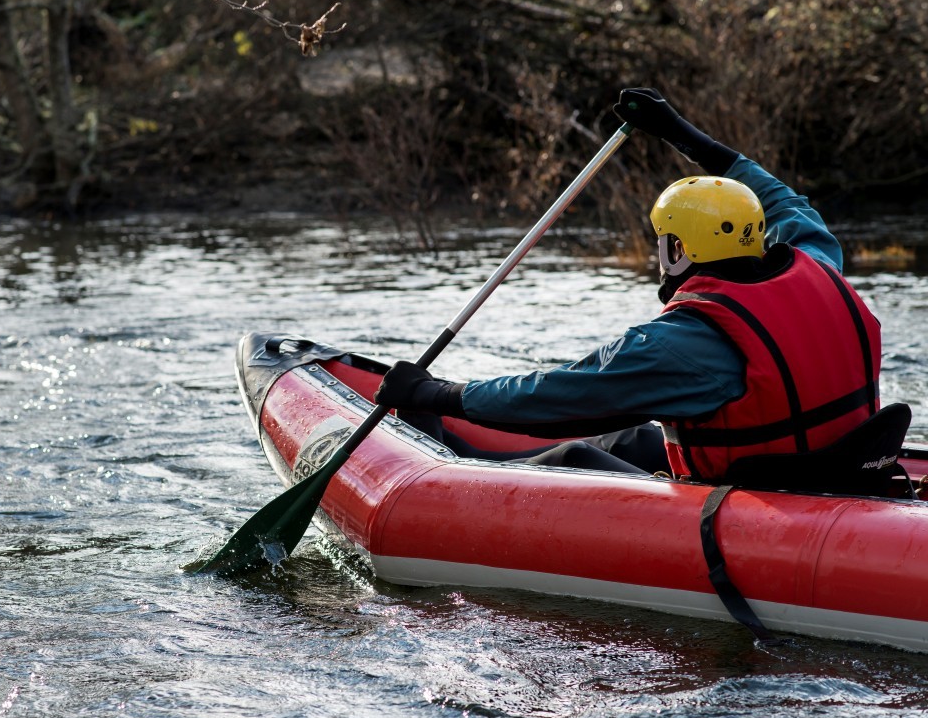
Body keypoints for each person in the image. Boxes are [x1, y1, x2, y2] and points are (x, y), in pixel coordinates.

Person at [374, 87, 887, 484]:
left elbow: (555, 398)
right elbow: (779, 198)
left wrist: (437, 394)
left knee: (574, 453)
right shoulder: (819, 261)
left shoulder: (686, 344)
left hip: (768, 501)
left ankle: (444, 473)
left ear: (676, 250)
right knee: (630, 440)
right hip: (834, 466)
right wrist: (678, 131)